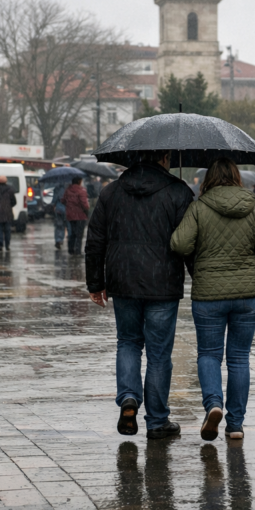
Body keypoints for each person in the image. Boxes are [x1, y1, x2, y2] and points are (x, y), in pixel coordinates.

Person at [171, 158, 255, 441]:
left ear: (208, 179)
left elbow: (180, 244)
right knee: (239, 358)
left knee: (209, 354)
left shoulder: (198, 208)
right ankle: (235, 424)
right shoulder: (254, 208)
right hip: (248, 296)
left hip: (209, 294)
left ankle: (213, 404)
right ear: (236, 177)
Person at [85, 150, 194, 440]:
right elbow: (189, 241)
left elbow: (95, 239)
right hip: (163, 282)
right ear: (164, 158)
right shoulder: (178, 191)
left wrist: (95, 282)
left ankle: (129, 398)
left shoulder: (112, 191)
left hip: (123, 281)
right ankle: (157, 421)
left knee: (128, 342)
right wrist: (201, 279)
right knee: (159, 354)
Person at [62, 176, 90, 256]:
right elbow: (84, 204)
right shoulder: (82, 191)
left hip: (70, 215)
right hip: (80, 216)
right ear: (79, 181)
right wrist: (87, 211)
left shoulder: (67, 190)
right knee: (79, 234)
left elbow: (63, 200)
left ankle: (71, 250)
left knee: (72, 233)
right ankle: (78, 251)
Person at [52, 182, 70, 250]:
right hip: (68, 209)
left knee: (59, 225)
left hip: (59, 208)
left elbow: (55, 198)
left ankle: (58, 240)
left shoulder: (57, 187)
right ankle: (70, 240)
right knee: (69, 225)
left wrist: (54, 205)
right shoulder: (70, 186)